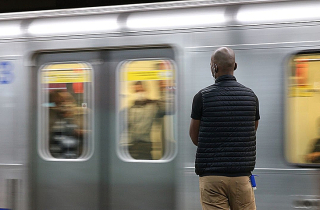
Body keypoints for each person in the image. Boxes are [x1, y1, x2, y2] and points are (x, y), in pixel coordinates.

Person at [189, 47, 260, 210]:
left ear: (214, 67)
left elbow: (195, 137)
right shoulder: (251, 96)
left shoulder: (202, 97)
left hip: (211, 178)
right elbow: (252, 129)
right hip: (242, 177)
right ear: (235, 66)